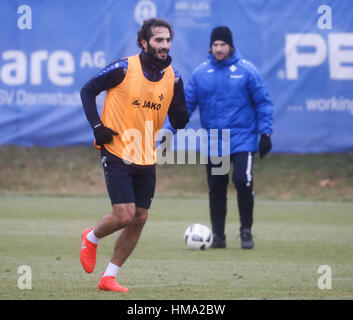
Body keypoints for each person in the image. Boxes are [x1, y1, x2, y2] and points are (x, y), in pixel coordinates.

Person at [79, 18, 189, 292]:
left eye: (167, 40)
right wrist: (97, 127)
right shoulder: (124, 68)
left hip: (146, 155)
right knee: (125, 214)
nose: (164, 45)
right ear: (144, 42)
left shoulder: (173, 78)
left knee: (140, 217)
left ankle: (109, 277)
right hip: (117, 150)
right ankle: (91, 237)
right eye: (158, 40)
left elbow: (177, 117)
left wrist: (182, 115)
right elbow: (88, 90)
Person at [184, 26, 273, 249]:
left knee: (243, 182)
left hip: (243, 138)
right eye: (215, 44)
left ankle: (245, 231)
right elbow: (185, 106)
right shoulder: (201, 73)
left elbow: (263, 103)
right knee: (217, 188)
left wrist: (266, 133)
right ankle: (219, 236)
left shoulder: (247, 71)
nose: (219, 48)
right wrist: (168, 131)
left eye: (223, 44)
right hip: (215, 141)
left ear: (231, 46)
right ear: (210, 47)